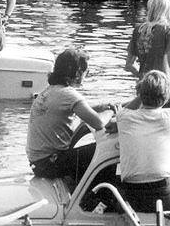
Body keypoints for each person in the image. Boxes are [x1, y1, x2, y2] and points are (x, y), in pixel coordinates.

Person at [26, 48, 111, 180]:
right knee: (107, 150)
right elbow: (99, 123)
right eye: (86, 71)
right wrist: (111, 112)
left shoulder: (49, 91)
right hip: (50, 164)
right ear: (77, 73)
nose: (86, 75)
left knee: (83, 130)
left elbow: (69, 111)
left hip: (38, 163)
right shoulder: (69, 95)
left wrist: (99, 107)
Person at [116, 71, 170, 212]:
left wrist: (143, 93)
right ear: (166, 97)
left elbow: (127, 108)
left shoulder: (124, 117)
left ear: (140, 93)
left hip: (132, 194)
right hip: (163, 191)